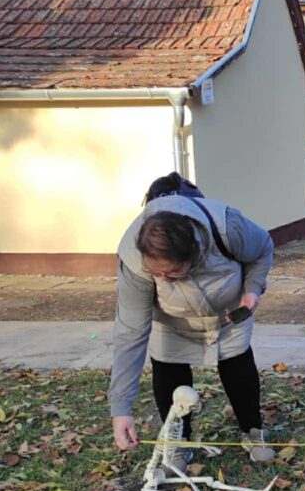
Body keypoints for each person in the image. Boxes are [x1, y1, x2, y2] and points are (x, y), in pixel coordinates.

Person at [109, 175, 276, 465]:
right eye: (156, 273)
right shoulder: (134, 259)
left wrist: (252, 288)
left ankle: (252, 430)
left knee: (237, 364)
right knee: (168, 368)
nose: (163, 278)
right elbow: (130, 332)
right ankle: (178, 443)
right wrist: (120, 408)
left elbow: (262, 248)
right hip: (171, 321)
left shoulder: (227, 227)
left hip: (226, 314)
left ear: (194, 253)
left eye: (172, 272)